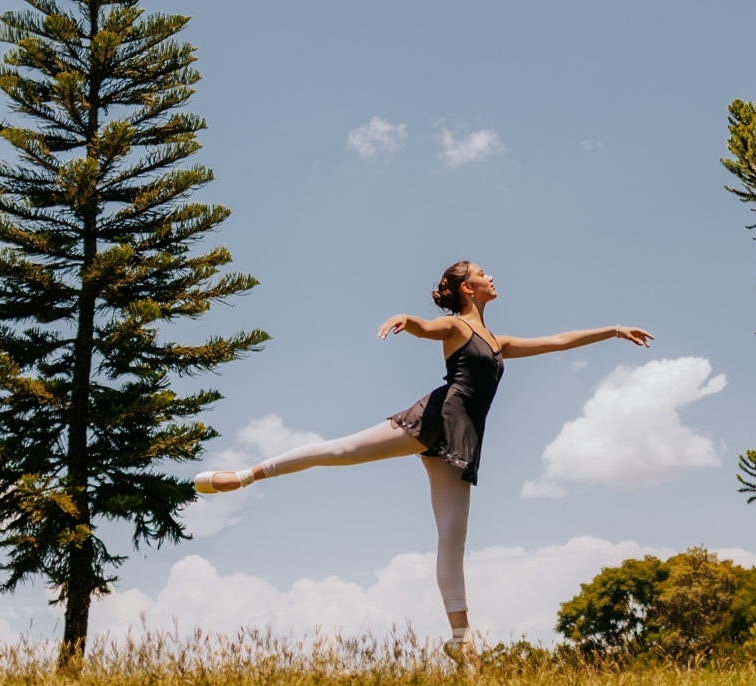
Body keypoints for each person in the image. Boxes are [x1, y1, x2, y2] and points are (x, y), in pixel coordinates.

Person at [194, 260, 652, 665]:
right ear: (467, 288)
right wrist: (405, 319)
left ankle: (461, 640)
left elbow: (559, 341)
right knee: (342, 451)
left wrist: (613, 330)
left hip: (462, 440)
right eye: (483, 274)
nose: (492, 277)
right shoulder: (456, 328)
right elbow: (426, 327)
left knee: (452, 538)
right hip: (434, 419)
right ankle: (243, 476)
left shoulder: (498, 341)